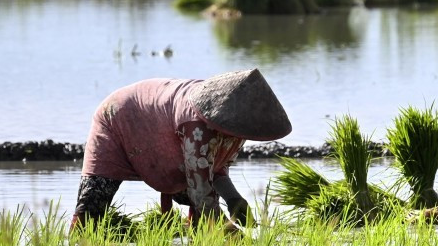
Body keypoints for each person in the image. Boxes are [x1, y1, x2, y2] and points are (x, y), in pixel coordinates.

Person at [72, 68, 291, 228]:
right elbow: (200, 189)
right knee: (92, 206)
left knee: (203, 205)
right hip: (119, 117)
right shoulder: (197, 124)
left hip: (162, 127)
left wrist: (233, 198)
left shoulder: (236, 127)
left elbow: (214, 168)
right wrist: (233, 236)